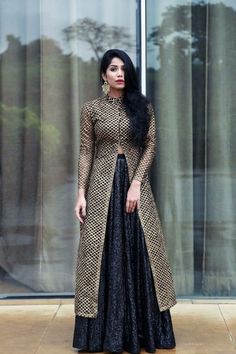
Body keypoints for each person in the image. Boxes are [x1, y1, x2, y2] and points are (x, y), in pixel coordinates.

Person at [73, 49, 177, 354]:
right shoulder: (91, 109)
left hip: (135, 189)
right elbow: (85, 151)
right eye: (113, 69)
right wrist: (81, 192)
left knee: (141, 251)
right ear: (104, 75)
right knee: (101, 254)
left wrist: (135, 183)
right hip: (101, 187)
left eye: (123, 69)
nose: (120, 73)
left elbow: (150, 145)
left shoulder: (142, 107)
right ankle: (100, 335)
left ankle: (145, 332)